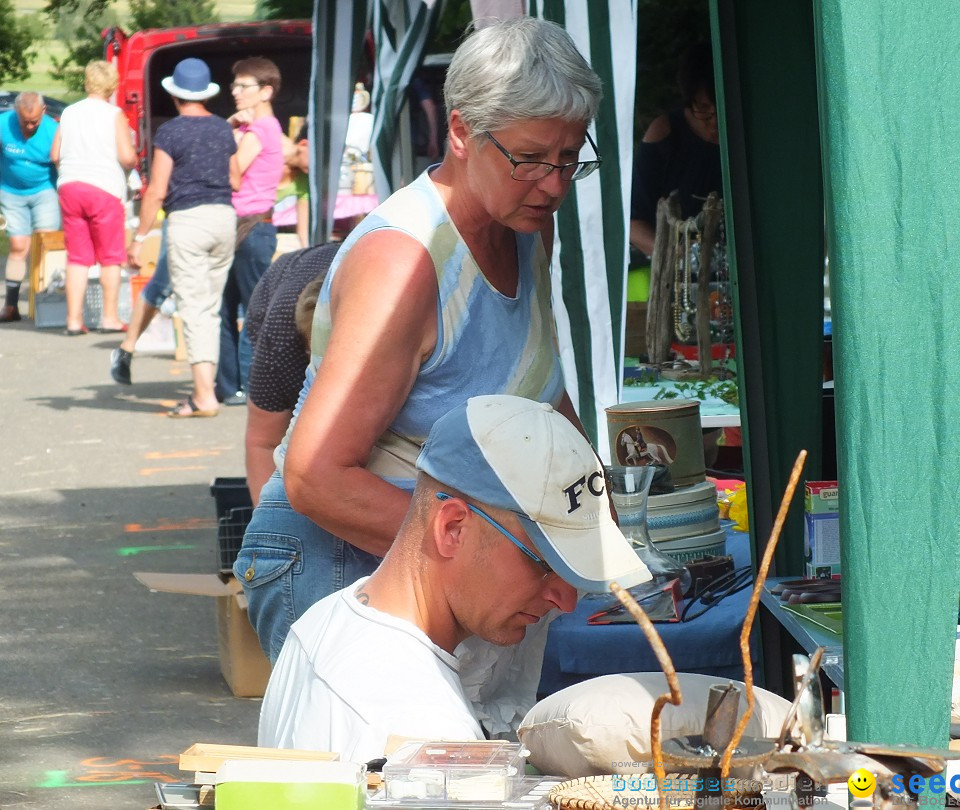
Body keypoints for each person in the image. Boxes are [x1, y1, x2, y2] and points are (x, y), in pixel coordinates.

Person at [234, 16, 603, 731]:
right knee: (393, 778)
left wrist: (592, 508)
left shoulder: (525, 221)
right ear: (461, 134)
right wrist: (503, 551)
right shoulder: (404, 263)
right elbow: (315, 476)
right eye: (529, 158)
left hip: (432, 545)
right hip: (332, 550)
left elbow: (537, 393)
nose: (553, 184)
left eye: (568, 158)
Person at [258, 395, 650, 763]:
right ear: (453, 529)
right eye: (545, 562)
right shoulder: (429, 739)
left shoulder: (324, 621)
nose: (566, 601)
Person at [125, 57, 237, 418]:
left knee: (194, 311)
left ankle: (204, 397)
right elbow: (234, 179)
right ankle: (206, 388)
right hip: (224, 218)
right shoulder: (223, 128)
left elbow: (156, 190)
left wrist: (140, 236)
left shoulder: (171, 132)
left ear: (174, 95)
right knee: (211, 307)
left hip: (188, 221)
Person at [244, 242, 337, 503]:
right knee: (290, 438)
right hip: (275, 295)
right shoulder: (282, 343)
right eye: (315, 357)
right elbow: (263, 442)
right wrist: (266, 531)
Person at [216, 57, 284, 407]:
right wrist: (230, 127)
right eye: (234, 86)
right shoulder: (247, 129)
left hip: (252, 228)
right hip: (239, 227)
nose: (236, 92)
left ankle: (246, 385)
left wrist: (226, 134)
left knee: (250, 309)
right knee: (226, 308)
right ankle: (230, 386)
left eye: (244, 86)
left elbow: (233, 174)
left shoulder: (262, 129)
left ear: (266, 91)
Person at [52, 60, 138, 335]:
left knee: (77, 257)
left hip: (69, 186)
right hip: (103, 187)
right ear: (112, 85)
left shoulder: (68, 113)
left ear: (87, 82)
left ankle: (74, 321)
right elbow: (126, 157)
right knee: (111, 256)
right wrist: (134, 157)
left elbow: (55, 155)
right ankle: (109, 317)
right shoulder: (114, 115)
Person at [628, 42, 723, 258]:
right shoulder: (665, 134)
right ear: (689, 102)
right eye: (704, 110)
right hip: (683, 273)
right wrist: (674, 255)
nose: (715, 120)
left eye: (721, 109)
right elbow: (633, 222)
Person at [0, 92, 60, 324]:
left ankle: (44, 304)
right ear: (16, 113)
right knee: (18, 246)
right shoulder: (4, 124)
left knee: (45, 243)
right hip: (10, 191)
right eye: (25, 121)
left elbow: (61, 164)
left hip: (44, 190)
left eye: (34, 121)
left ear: (43, 112)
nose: (29, 126)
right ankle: (11, 305)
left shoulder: (53, 131)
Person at [110, 221, 170, 385]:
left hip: (229, 221)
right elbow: (153, 195)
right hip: (183, 217)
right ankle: (126, 350)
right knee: (162, 285)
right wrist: (139, 239)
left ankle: (225, 377)